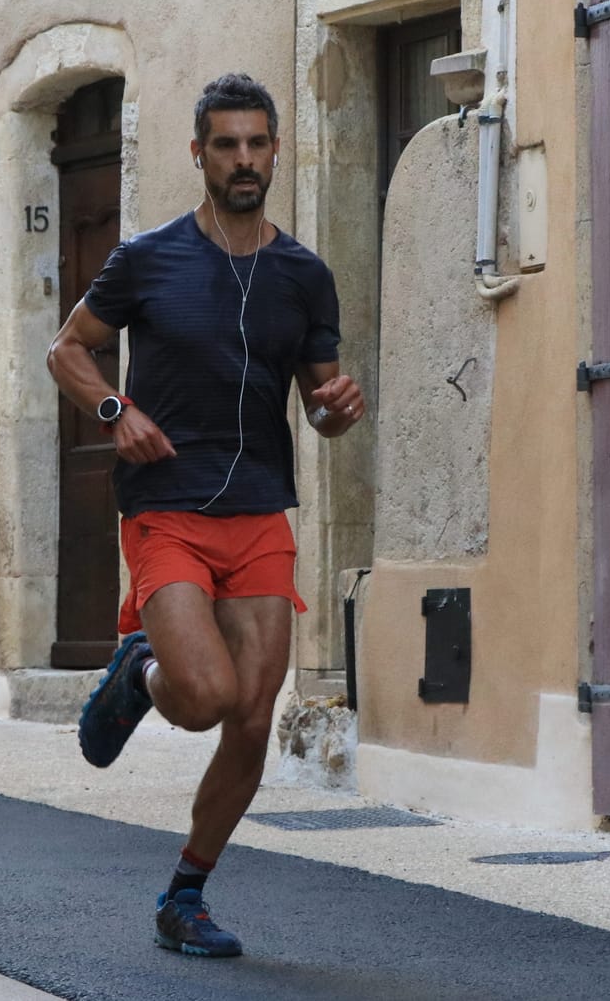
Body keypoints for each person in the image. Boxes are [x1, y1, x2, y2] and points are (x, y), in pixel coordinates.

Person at [47, 73, 366, 958]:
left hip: (260, 506)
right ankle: (140, 669)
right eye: (225, 144)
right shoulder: (147, 258)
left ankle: (185, 893)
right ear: (199, 154)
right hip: (168, 508)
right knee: (202, 698)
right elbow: (68, 348)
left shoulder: (303, 275)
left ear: (274, 150)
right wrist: (115, 412)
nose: (244, 159)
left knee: (254, 717)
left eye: (257, 143)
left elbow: (319, 404)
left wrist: (339, 405)